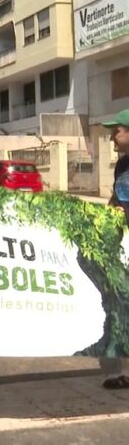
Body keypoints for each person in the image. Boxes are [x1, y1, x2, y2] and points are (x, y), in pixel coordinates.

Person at [99, 108, 129, 389]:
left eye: (116, 132)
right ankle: (122, 372)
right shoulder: (122, 165)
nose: (112, 138)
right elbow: (116, 199)